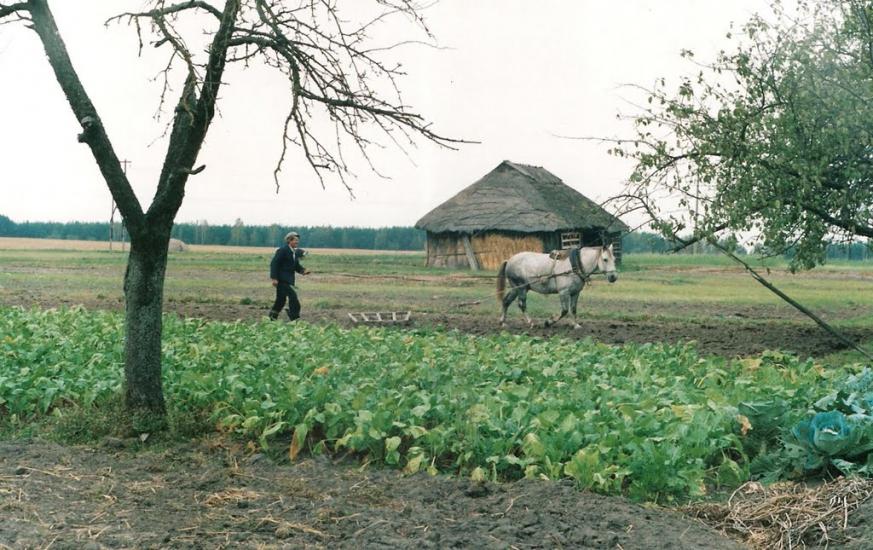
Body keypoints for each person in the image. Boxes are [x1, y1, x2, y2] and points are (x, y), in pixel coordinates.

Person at [269, 231, 310, 321]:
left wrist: (303, 271)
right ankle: (294, 318)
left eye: (297, 240)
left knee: (280, 301)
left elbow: (296, 266)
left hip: (288, 280)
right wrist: (274, 278)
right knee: (293, 298)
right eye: (295, 240)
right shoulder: (283, 250)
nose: (297, 242)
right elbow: (274, 264)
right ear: (289, 241)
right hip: (282, 280)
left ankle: (271, 318)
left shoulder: (293, 253)